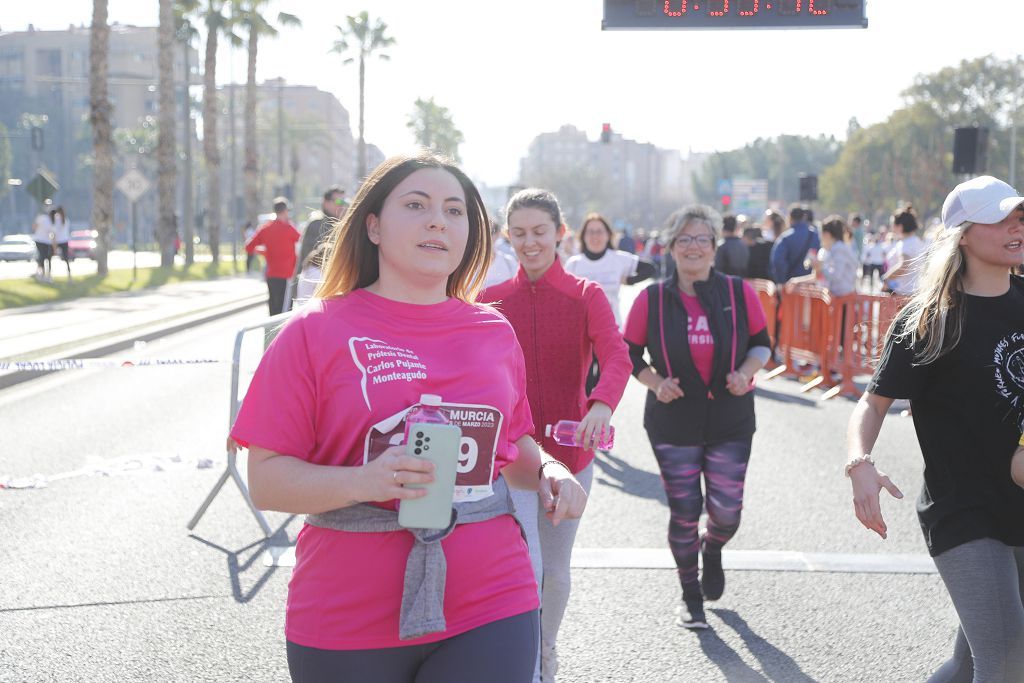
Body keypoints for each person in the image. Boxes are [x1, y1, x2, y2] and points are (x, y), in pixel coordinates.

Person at [229, 152, 587, 683]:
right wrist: (365, 481)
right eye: (416, 205)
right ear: (372, 225)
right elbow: (267, 482)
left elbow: (512, 449)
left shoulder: (493, 332)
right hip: (347, 608)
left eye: (455, 210)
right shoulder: (314, 331)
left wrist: (549, 473)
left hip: (492, 595)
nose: (437, 220)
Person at [847, 175, 1024, 682]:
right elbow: (873, 403)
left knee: (970, 664)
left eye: (1021, 217)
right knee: (1009, 663)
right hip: (965, 512)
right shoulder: (928, 322)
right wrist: (860, 464)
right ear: (963, 233)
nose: (1016, 227)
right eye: (1002, 218)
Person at [479, 190, 631, 683]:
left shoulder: (585, 296)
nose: (530, 242)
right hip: (514, 456)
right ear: (507, 236)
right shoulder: (491, 301)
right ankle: (527, 662)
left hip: (572, 453)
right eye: (518, 233)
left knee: (556, 569)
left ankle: (546, 653)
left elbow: (616, 355)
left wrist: (602, 405)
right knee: (530, 562)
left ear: (560, 233)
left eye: (540, 231)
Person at [623, 204, 771, 630]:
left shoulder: (737, 293)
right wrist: (655, 382)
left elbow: (762, 344)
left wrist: (746, 372)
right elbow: (629, 353)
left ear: (714, 247)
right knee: (685, 508)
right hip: (674, 419)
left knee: (726, 513)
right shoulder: (651, 298)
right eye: (684, 239)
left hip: (731, 416)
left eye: (702, 238)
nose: (693, 247)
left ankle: (714, 548)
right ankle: (690, 596)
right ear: (670, 248)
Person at [245, 197, 301, 316]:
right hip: (286, 276)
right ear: (285, 211)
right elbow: (301, 241)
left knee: (273, 309)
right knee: (285, 313)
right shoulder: (289, 228)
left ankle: (271, 335)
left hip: (271, 275)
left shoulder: (265, 228)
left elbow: (248, 247)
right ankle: (281, 335)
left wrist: (265, 251)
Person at [792, 215, 858, 296]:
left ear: (827, 234)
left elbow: (836, 276)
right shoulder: (834, 249)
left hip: (843, 299)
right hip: (840, 298)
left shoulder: (839, 249)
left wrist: (820, 267)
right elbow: (821, 277)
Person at [297, 186, 346, 276]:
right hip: (314, 282)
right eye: (338, 201)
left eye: (344, 202)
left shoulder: (341, 224)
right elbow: (312, 258)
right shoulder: (317, 224)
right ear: (326, 202)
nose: (342, 205)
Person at [769, 204, 820, 284]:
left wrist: (783, 281)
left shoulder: (785, 238)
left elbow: (778, 262)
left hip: (791, 287)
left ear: (789, 218)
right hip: (812, 285)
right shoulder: (815, 235)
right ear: (804, 217)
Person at [882, 205, 926, 296]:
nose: (891, 227)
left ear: (900, 226)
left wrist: (886, 278)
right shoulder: (916, 241)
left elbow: (903, 266)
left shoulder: (906, 243)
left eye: (893, 224)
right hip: (912, 292)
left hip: (903, 294)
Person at [483, 218, 518, 288]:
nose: (485, 237)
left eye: (490, 232)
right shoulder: (465, 266)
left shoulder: (509, 262)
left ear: (498, 233)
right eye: (480, 233)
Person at [31, 204, 54, 281]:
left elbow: (52, 232)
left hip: (47, 241)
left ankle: (45, 274)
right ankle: (42, 273)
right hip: (39, 240)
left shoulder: (51, 220)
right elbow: (34, 227)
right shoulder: (41, 217)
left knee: (46, 257)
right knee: (42, 256)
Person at [50, 206, 71, 280]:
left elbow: (54, 233)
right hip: (65, 241)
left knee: (49, 257)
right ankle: (69, 276)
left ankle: (49, 275)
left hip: (58, 241)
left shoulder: (57, 220)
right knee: (66, 259)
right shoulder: (66, 220)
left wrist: (54, 245)